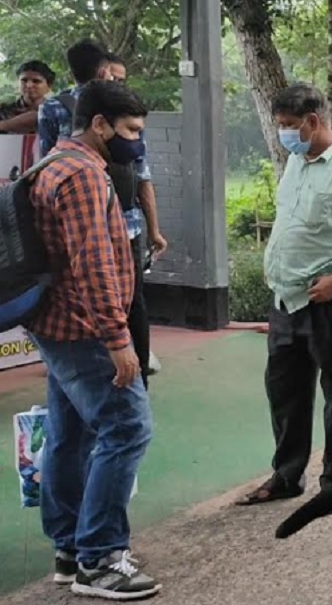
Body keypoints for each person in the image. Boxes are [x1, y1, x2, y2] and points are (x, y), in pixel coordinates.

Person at [26, 80, 159, 599]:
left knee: (70, 433)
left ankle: (68, 548)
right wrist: (117, 338)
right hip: (84, 330)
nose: (136, 142)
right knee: (127, 428)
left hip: (55, 326)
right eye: (130, 131)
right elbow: (95, 265)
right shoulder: (83, 175)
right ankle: (101, 558)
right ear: (99, 124)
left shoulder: (51, 162)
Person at [237, 84, 332, 506]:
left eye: (289, 125)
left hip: (328, 302)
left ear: (313, 122)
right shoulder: (296, 163)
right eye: (280, 125)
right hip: (285, 298)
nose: (284, 133)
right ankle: (287, 475)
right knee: (284, 390)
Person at [98, 53, 167, 384]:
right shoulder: (81, 175)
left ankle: (139, 367)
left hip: (130, 232)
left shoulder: (128, 141)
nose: (136, 138)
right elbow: (91, 274)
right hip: (104, 242)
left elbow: (143, 179)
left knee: (133, 298)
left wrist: (154, 229)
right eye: (115, 79)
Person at [38, 39, 112, 157]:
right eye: (110, 72)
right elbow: (139, 162)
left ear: (71, 75)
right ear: (102, 73)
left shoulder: (51, 107)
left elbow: (46, 155)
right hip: (110, 174)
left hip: (67, 173)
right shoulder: (120, 103)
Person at [0, 60, 56, 134]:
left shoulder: (57, 112)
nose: (29, 85)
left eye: (36, 81)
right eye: (24, 80)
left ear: (49, 86)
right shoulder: (3, 112)